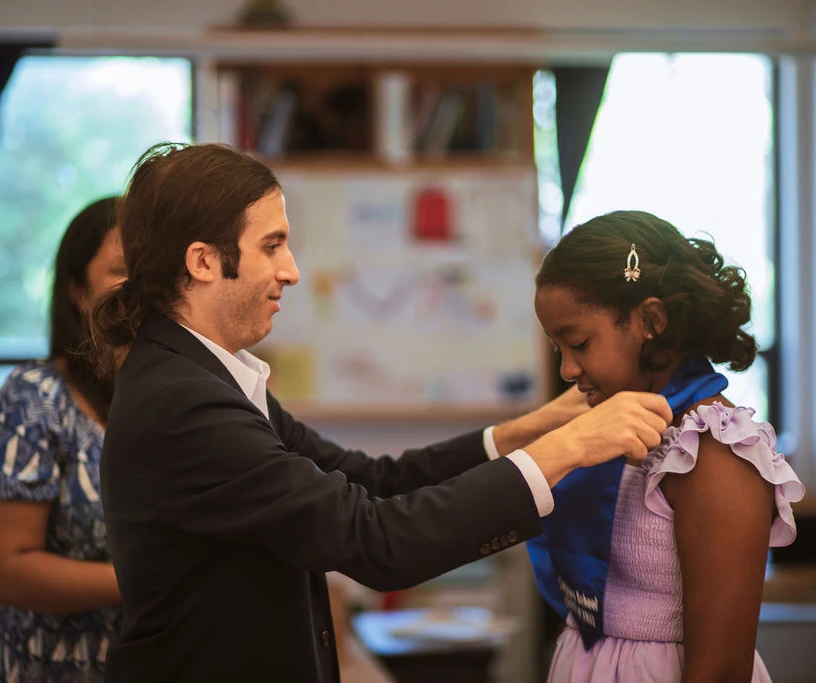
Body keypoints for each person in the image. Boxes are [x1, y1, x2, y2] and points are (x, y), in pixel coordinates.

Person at [89, 142, 673, 683]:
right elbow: (375, 539)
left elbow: (372, 480)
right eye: (271, 245)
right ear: (204, 261)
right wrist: (567, 448)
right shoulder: (185, 402)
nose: (290, 270)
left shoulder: (208, 376)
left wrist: (528, 430)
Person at [527, 210, 806, 682]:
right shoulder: (611, 427)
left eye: (579, 343)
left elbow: (719, 670)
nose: (567, 371)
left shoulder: (715, 452)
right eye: (559, 350)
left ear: (650, 319)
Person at [0, 197, 126, 682]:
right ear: (78, 291)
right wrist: (147, 583)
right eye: (121, 271)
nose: (139, 289)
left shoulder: (169, 400)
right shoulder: (33, 402)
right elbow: (3, 572)